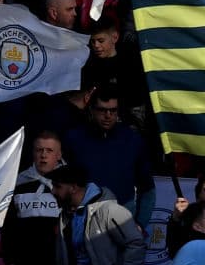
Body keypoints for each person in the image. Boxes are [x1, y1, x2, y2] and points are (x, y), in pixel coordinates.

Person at [65, 91, 156, 228]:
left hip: (122, 225)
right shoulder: (73, 138)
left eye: (113, 110)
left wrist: (140, 225)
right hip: (82, 224)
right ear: (91, 109)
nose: (108, 115)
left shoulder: (132, 140)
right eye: (102, 110)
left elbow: (148, 189)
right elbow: (61, 185)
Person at [50, 163, 148, 265]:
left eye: (57, 186)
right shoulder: (65, 217)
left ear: (73, 188)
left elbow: (136, 244)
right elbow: (61, 262)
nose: (53, 191)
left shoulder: (110, 210)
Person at [3, 131, 65, 265]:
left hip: (60, 264)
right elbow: (8, 226)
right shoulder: (18, 183)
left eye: (49, 150)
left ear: (58, 155)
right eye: (39, 150)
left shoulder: (69, 185)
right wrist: (10, 262)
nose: (43, 155)